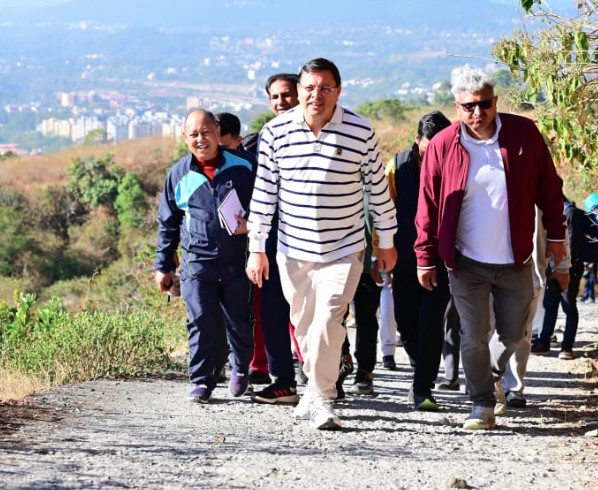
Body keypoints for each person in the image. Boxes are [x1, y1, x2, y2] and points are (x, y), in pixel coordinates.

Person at [246, 58, 397, 430]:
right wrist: (256, 247)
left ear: (338, 91)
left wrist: (387, 241)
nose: (317, 95)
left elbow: (377, 190)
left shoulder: (360, 131)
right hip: (293, 249)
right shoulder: (276, 133)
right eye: (309, 88)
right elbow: (264, 194)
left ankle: (322, 397)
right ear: (299, 91)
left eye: (325, 88)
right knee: (303, 325)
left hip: (344, 247)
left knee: (329, 318)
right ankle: (315, 387)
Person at [414, 66, 566, 430]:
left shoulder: (523, 134)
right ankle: (480, 403)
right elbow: (428, 205)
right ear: (457, 106)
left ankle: (491, 375)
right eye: (468, 106)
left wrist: (557, 237)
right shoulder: (443, 145)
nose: (477, 113)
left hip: (515, 259)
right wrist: (424, 256)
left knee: (515, 333)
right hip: (465, 262)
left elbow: (549, 188)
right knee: (472, 336)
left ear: (495, 101)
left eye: (484, 104)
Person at [154, 109, 255, 403]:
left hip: (239, 261)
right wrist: (163, 266)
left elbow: (267, 204)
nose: (201, 139)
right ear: (185, 137)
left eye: (206, 132)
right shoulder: (178, 174)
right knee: (200, 319)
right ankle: (201, 379)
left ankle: (240, 369)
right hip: (196, 262)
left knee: (238, 320)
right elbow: (168, 222)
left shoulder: (245, 165)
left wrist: (253, 226)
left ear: (217, 131)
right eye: (194, 134)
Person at [386, 110, 452, 410]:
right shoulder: (396, 167)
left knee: (431, 323)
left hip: (440, 260)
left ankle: (423, 386)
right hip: (403, 258)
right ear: (417, 140)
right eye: (429, 150)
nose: (435, 156)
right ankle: (419, 366)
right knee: (406, 322)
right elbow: (383, 213)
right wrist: (381, 252)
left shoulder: (457, 165)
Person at [532, 190, 584, 360]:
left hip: (569, 268)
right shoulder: (549, 211)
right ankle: (543, 341)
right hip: (553, 267)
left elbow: (571, 243)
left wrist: (563, 268)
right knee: (549, 305)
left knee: (568, 306)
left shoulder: (569, 212)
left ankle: (567, 347)